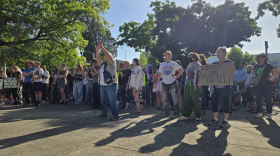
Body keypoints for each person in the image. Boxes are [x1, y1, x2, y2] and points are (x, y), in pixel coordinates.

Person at [208, 47, 235, 128]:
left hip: (225, 87)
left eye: (219, 51)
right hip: (215, 88)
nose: (217, 53)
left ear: (224, 53)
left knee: (225, 103)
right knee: (214, 103)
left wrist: (232, 73)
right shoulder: (214, 64)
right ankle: (215, 119)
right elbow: (210, 76)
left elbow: (233, 75)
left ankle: (225, 121)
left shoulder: (229, 63)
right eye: (217, 52)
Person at [155, 51, 183, 118]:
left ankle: (176, 113)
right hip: (164, 83)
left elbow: (181, 70)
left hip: (172, 82)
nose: (169, 55)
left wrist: (176, 77)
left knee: (175, 98)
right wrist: (156, 83)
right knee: (165, 99)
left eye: (170, 54)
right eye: (167, 54)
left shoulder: (174, 63)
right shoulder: (162, 64)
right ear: (165, 56)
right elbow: (159, 74)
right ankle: (167, 113)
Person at [96, 42, 119, 121]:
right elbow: (97, 59)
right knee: (103, 100)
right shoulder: (102, 64)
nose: (106, 57)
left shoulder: (113, 62)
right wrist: (97, 50)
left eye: (107, 55)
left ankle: (115, 115)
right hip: (102, 85)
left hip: (112, 84)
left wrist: (102, 48)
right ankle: (104, 113)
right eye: (105, 56)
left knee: (112, 100)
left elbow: (109, 56)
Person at [253, 53, 279, 119]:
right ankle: (259, 113)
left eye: (262, 56)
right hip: (257, 84)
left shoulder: (268, 65)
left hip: (267, 84)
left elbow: (277, 72)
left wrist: (272, 79)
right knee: (258, 98)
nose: (260, 57)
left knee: (268, 99)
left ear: (265, 58)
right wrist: (252, 78)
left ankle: (269, 113)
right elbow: (253, 74)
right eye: (258, 56)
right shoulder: (255, 66)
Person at [179, 52, 202, 121]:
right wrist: (186, 83)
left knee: (196, 99)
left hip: (195, 84)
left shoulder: (197, 64)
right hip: (188, 84)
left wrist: (199, 82)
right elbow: (187, 76)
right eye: (188, 56)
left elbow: (200, 75)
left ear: (194, 58)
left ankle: (198, 115)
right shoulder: (189, 65)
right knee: (186, 99)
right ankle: (185, 115)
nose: (189, 57)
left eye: (190, 56)